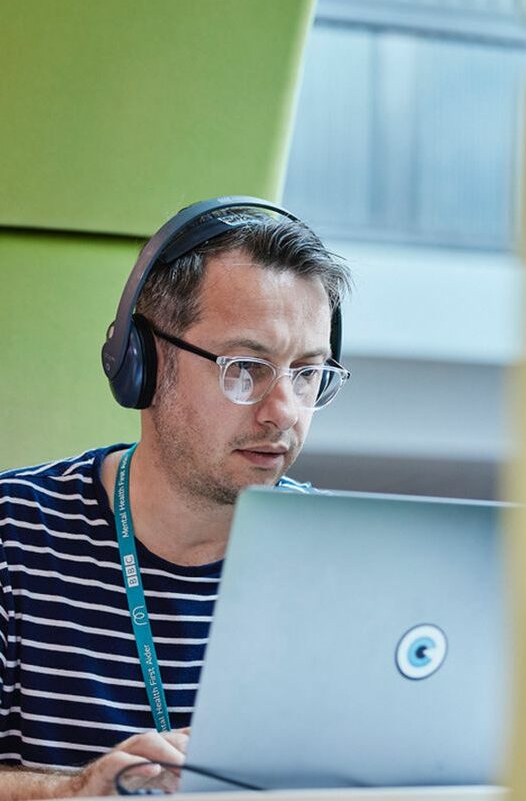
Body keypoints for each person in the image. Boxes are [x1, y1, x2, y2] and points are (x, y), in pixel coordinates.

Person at [0, 199, 351, 798]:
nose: (284, 411)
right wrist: (70, 794)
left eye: (306, 372)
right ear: (142, 361)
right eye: (245, 368)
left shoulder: (350, 558)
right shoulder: (13, 534)